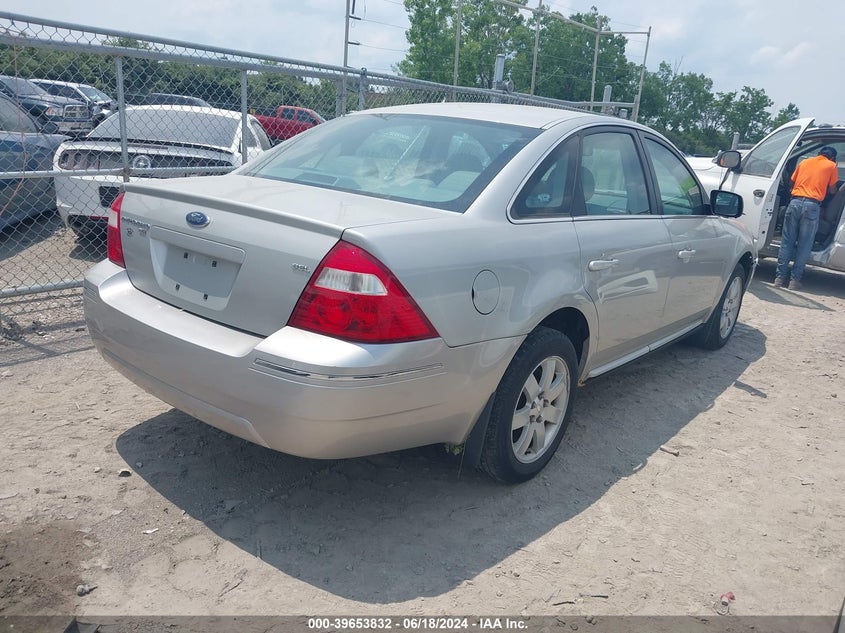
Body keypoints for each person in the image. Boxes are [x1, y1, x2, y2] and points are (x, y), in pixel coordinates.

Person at [774, 146, 839, 290]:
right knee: (805, 244)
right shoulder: (831, 165)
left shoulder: (804, 162)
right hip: (812, 206)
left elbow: (791, 182)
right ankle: (794, 281)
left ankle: (779, 278)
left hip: (794, 202)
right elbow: (833, 190)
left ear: (818, 154)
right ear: (833, 157)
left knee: (787, 241)